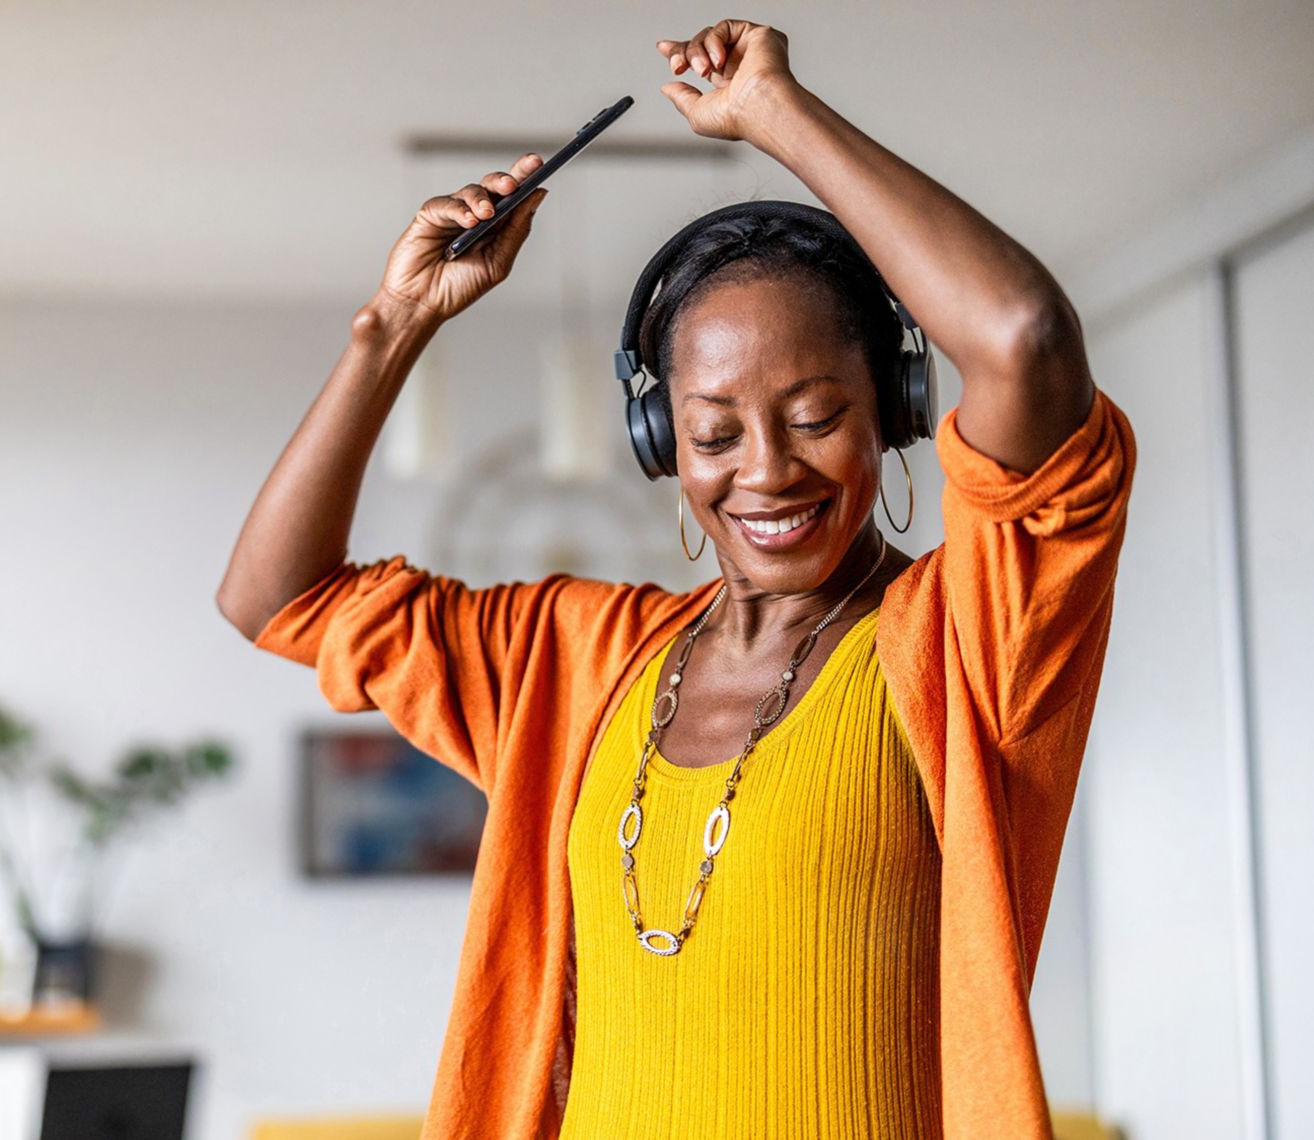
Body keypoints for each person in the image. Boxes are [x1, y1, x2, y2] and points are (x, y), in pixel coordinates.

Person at [217, 18, 1134, 1140]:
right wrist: (391, 324)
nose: (764, 470)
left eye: (815, 418)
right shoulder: (573, 661)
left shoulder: (969, 636)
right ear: (660, 442)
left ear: (892, 414)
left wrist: (775, 117)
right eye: (711, 433)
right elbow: (278, 597)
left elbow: (1024, 337)